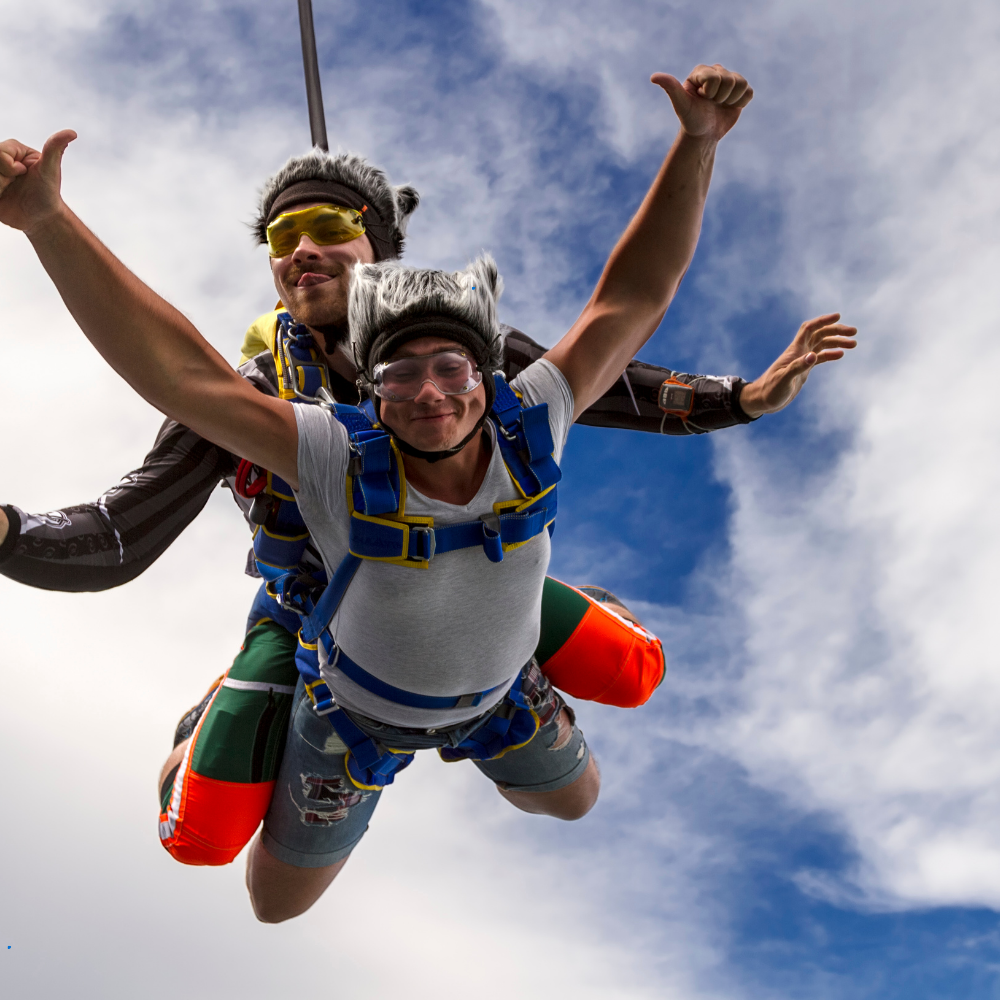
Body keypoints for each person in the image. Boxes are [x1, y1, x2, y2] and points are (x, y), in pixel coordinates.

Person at [0, 63, 856, 922]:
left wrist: (736, 388)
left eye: (328, 225)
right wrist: (9, 526)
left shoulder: (494, 379)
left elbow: (622, 322)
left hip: (481, 621)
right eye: (280, 236)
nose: (430, 394)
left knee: (597, 745)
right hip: (327, 640)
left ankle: (522, 646)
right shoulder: (308, 434)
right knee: (244, 873)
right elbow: (161, 420)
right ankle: (223, 727)